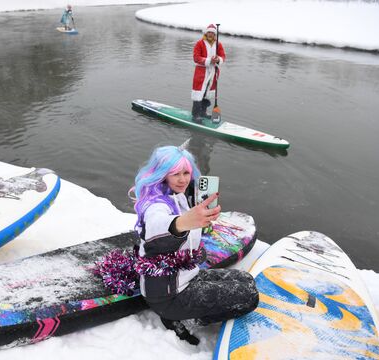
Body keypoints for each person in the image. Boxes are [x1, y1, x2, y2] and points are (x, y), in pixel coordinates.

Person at [130, 145, 258, 345]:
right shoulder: (156, 205)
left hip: (187, 277)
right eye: (175, 174)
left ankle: (188, 312)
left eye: (186, 173)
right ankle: (189, 319)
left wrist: (201, 220)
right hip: (168, 295)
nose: (182, 179)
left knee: (245, 279)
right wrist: (182, 222)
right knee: (249, 297)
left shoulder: (183, 197)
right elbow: (157, 224)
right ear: (163, 175)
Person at [191, 24, 226, 122]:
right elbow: (196, 58)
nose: (210, 34)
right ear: (206, 33)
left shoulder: (218, 44)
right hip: (201, 73)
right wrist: (209, 60)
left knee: (207, 93)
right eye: (209, 32)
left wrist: (218, 59)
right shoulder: (199, 43)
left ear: (215, 34)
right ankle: (195, 115)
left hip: (213, 73)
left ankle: (203, 112)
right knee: (198, 94)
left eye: (212, 33)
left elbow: (223, 56)